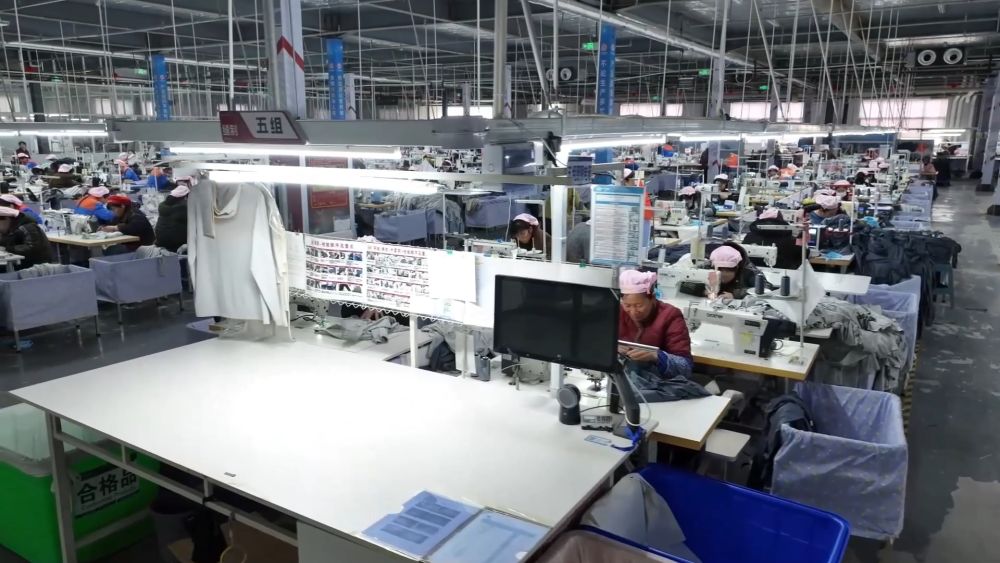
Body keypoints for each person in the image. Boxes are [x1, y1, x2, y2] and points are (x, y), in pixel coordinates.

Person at [617, 270, 693, 377]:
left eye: (639, 306)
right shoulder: (618, 312)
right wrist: (612, 349)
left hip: (658, 381)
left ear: (652, 298)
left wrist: (657, 356)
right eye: (627, 306)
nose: (633, 312)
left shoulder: (670, 315)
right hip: (622, 379)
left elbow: (686, 368)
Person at [679, 243, 752, 300]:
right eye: (719, 269)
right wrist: (704, 291)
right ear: (712, 266)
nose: (723, 274)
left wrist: (735, 295)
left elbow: (758, 291)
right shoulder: (706, 266)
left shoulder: (749, 272)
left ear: (737, 267)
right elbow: (683, 284)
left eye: (728, 270)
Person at [155, 184, 189, 252]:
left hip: (161, 245)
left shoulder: (163, 207)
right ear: (185, 198)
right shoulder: (183, 209)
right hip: (177, 247)